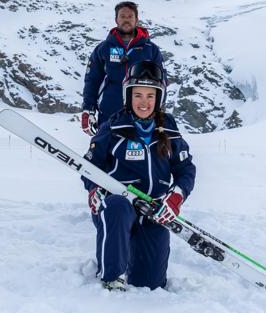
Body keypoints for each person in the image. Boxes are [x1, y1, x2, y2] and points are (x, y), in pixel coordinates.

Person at [82, 61, 196, 290]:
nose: (144, 102)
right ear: (128, 97)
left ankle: (137, 257)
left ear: (159, 99)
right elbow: (89, 166)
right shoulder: (112, 128)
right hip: (118, 204)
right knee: (116, 207)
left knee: (149, 283)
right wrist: (94, 189)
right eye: (138, 95)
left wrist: (175, 197)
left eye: (150, 96)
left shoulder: (170, 131)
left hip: (153, 211)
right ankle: (111, 277)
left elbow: (186, 170)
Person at [81, 1, 166, 136]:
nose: (126, 20)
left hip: (141, 113)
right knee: (105, 151)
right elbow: (92, 80)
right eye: (122, 16)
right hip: (109, 111)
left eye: (130, 16)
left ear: (136, 20)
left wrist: (159, 109)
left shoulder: (151, 50)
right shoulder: (104, 48)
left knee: (137, 153)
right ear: (116, 20)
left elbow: (162, 82)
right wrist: (88, 109)